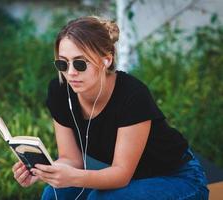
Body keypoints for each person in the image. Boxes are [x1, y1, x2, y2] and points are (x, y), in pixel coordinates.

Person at [12, 16, 209, 200]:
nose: (70, 73)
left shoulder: (132, 94)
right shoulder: (60, 91)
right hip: (130, 179)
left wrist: (74, 178)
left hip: (178, 178)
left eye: (80, 64)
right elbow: (71, 160)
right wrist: (43, 171)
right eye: (63, 64)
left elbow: (121, 174)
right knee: (53, 194)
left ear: (106, 60)